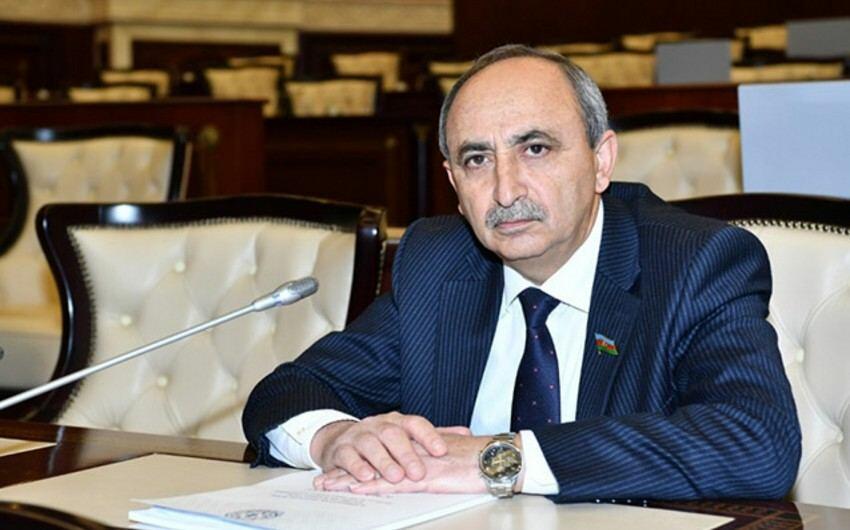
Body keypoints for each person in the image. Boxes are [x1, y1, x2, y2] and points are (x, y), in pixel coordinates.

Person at [242, 44, 801, 503]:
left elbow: (757, 443)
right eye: (477, 160)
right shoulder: (440, 263)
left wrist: (499, 461)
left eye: (535, 149)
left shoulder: (694, 262)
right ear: (454, 183)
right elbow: (287, 391)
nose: (506, 191)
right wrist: (336, 438)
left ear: (601, 160)